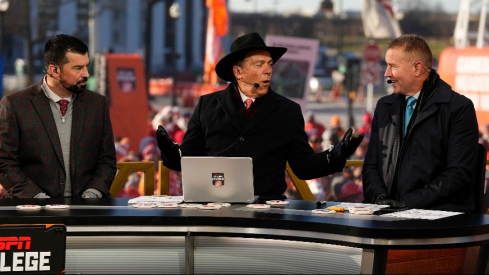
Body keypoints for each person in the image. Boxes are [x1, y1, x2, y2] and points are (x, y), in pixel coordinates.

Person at [156, 32, 363, 200]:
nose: (268, 71)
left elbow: (302, 167)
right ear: (238, 72)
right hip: (215, 212)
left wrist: (335, 155)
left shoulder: (288, 111)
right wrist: (170, 153)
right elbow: (188, 160)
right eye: (259, 65)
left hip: (267, 215)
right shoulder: (206, 106)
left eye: (270, 64)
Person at [362, 34, 479, 212]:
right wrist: (378, 198)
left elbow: (458, 173)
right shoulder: (384, 107)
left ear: (417, 68)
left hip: (438, 215)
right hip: (386, 214)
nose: (387, 73)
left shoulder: (459, 108)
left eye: (392, 66)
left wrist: (407, 203)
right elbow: (371, 165)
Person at [0, 34, 116, 198]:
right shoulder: (15, 105)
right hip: (31, 208)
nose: (86, 74)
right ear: (54, 70)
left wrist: (93, 193)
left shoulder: (98, 104)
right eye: (78, 68)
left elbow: (107, 161)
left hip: (87, 209)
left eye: (86, 66)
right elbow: (4, 163)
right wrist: (36, 197)